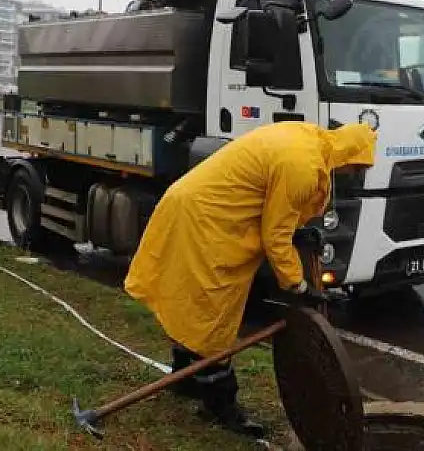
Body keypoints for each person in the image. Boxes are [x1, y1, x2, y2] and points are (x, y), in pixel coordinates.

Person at [123, 121, 378, 438]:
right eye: (357, 169)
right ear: (348, 159)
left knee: (192, 302)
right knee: (212, 315)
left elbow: (270, 199)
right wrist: (298, 286)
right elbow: (275, 237)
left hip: (195, 206)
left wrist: (298, 229)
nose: (354, 177)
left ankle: (187, 379)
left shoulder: (307, 139)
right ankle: (220, 406)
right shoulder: (302, 166)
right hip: (208, 220)